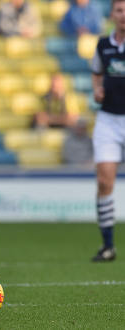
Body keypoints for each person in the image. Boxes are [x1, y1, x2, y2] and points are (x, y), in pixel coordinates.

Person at [89, 0, 125, 262]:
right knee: (104, 181)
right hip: (108, 120)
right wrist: (98, 89)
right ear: (112, 14)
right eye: (120, 10)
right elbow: (97, 73)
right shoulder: (103, 45)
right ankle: (108, 246)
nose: (124, 15)